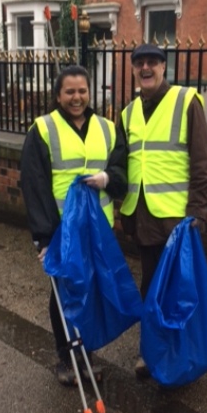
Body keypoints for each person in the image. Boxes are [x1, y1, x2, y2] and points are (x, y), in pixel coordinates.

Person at [20, 65, 127, 386]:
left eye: (82, 91)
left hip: (99, 230)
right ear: (58, 95)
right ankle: (66, 357)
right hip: (62, 232)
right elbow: (34, 185)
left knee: (91, 292)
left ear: (89, 93)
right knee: (65, 295)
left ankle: (86, 354)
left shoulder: (108, 128)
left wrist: (108, 178)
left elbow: (122, 170)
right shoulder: (42, 129)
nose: (77, 97)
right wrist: (44, 239)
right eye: (70, 92)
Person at [119, 43, 207, 378]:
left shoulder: (186, 101)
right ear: (133, 70)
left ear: (163, 67)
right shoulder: (128, 112)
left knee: (179, 291)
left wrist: (198, 212)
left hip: (177, 220)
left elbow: (202, 163)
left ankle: (181, 353)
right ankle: (151, 351)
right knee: (150, 287)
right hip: (142, 217)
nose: (146, 68)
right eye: (139, 63)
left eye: (153, 63)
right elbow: (124, 163)